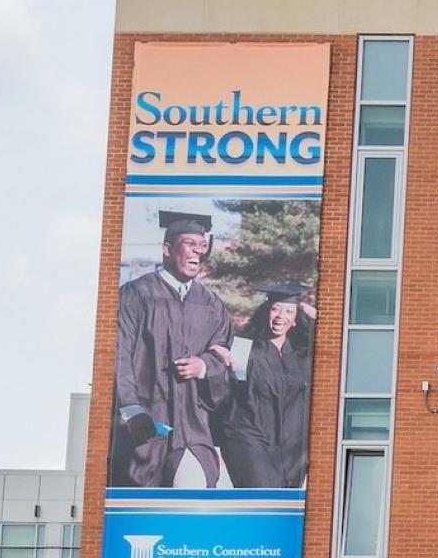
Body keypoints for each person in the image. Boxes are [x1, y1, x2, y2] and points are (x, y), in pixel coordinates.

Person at [111, 209, 232, 488]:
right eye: (190, 244)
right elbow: (120, 354)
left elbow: (223, 353)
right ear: (167, 249)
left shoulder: (211, 304)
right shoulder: (136, 294)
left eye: (202, 246)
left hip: (193, 426)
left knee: (194, 499)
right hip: (145, 422)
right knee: (142, 508)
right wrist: (130, 410)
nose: (198, 253)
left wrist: (203, 366)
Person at [209, 282, 315, 488]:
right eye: (275, 309)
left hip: (292, 445)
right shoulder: (243, 346)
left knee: (284, 504)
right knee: (261, 491)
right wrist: (214, 354)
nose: (280, 316)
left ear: (295, 320)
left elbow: (341, 341)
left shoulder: (303, 354)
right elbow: (221, 383)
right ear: (266, 312)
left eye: (289, 311)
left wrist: (310, 311)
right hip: (247, 436)